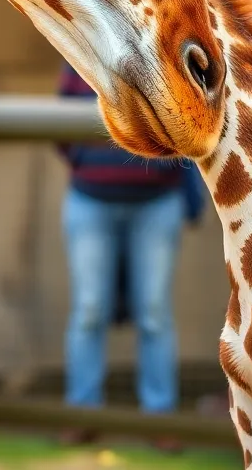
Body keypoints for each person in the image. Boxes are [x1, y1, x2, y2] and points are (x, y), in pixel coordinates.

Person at [55, 61, 202, 453]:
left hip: (157, 201)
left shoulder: (162, 46)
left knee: (154, 312)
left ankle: (159, 416)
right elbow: (59, 123)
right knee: (89, 309)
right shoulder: (78, 47)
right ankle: (81, 413)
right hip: (89, 198)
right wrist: (89, 163)